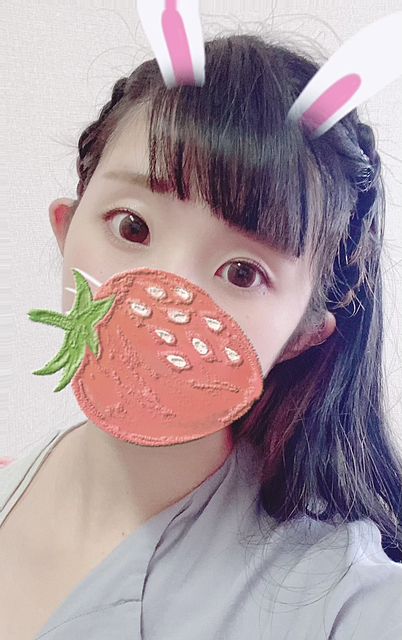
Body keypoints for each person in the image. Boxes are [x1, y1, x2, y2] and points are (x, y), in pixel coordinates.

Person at [1, 33, 402, 640]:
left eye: (242, 272)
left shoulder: (342, 601)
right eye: (132, 227)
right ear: (67, 228)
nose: (165, 291)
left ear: (302, 336)